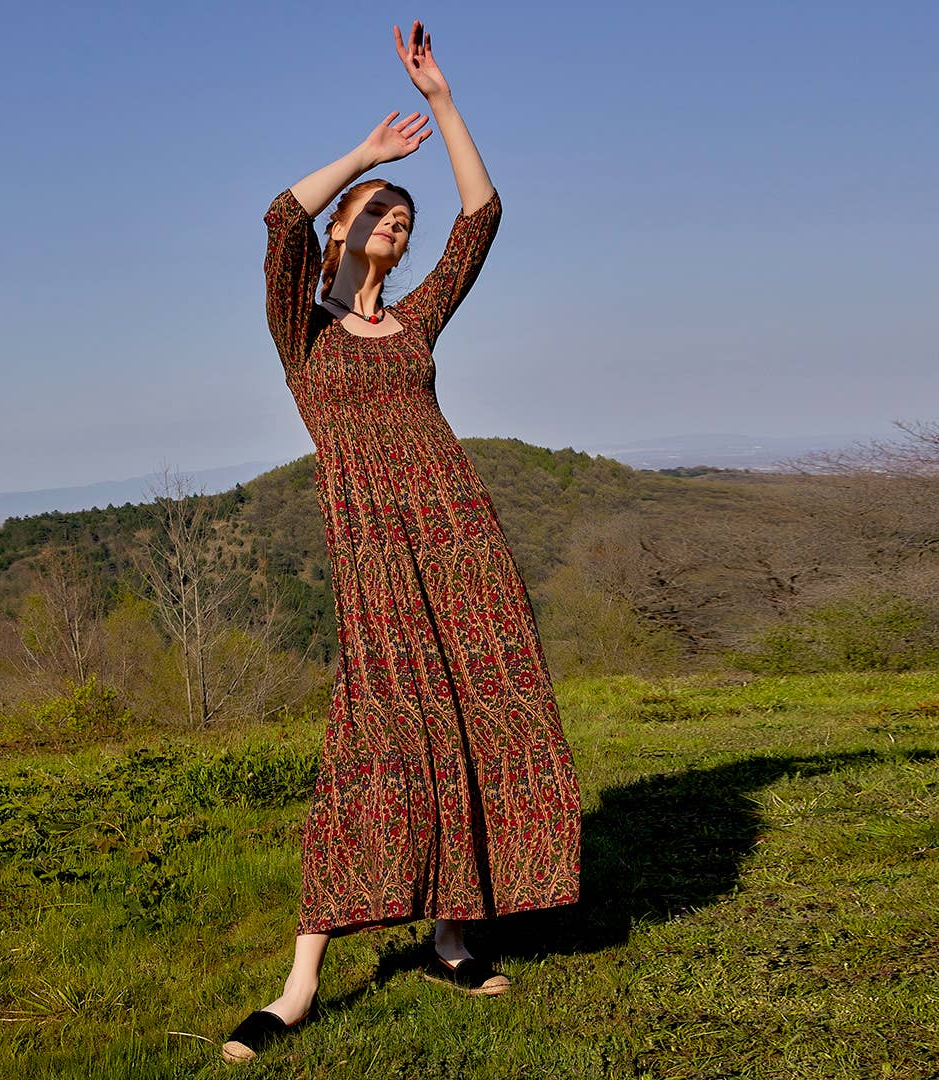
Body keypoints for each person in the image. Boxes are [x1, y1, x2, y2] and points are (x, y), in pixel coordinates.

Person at [222, 20, 581, 1065]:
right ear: (347, 229)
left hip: (459, 539)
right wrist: (368, 157)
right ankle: (299, 986)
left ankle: (452, 935)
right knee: (373, 742)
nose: (397, 219)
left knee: (478, 720)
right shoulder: (306, 333)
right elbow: (281, 216)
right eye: (379, 210)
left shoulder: (414, 325)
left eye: (401, 215)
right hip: (374, 556)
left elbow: (482, 213)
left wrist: (446, 100)